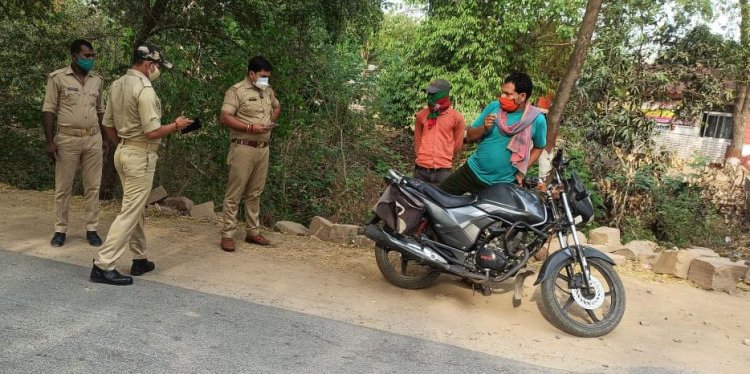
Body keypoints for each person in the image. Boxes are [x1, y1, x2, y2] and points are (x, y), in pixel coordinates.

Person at [90, 44, 193, 286]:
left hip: (125, 151)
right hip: (140, 155)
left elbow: (107, 124)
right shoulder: (145, 90)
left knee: (134, 207)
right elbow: (153, 131)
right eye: (157, 67)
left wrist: (124, 144)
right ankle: (103, 264)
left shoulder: (117, 84)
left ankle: (139, 257)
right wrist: (177, 125)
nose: (157, 71)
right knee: (130, 211)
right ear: (148, 65)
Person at [42, 39, 109, 248]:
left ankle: (92, 229)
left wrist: (106, 139)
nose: (91, 59)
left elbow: (101, 110)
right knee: (63, 187)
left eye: (92, 55)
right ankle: (60, 230)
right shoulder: (58, 78)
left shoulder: (97, 80)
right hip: (67, 139)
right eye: (86, 55)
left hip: (93, 138)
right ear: (74, 56)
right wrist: (50, 141)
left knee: (93, 186)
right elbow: (48, 110)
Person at [439, 72, 547, 195]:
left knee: (485, 214)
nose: (502, 96)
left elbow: (539, 147)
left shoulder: (536, 120)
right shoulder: (494, 107)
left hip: (502, 184)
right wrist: (483, 128)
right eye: (502, 92)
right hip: (471, 172)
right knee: (437, 199)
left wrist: (522, 169)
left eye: (508, 94)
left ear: (522, 97)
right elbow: (469, 136)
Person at [219, 55, 281, 252]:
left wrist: (270, 121)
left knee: (255, 192)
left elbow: (277, 106)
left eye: (267, 77)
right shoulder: (236, 91)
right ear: (251, 74)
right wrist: (249, 127)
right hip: (243, 147)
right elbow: (225, 117)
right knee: (235, 193)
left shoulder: (267, 91)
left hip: (263, 149)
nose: (265, 80)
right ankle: (228, 234)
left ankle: (253, 232)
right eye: (262, 76)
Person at [413, 79, 466, 184]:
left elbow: (458, 144)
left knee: (441, 199)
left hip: (443, 171)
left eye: (433, 93)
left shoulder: (456, 118)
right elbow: (418, 140)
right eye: (429, 93)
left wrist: (445, 156)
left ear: (443, 94)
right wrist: (422, 157)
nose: (429, 96)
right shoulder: (421, 115)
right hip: (421, 170)